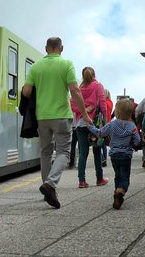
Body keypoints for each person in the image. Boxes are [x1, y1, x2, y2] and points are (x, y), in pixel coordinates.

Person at [22, 37, 91, 209]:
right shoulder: (66, 64)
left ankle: (47, 186)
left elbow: (26, 90)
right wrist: (84, 114)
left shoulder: (36, 67)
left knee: (45, 152)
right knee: (63, 152)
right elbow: (74, 90)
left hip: (42, 117)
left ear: (46, 49)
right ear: (61, 48)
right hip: (61, 115)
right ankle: (51, 185)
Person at [87, 98, 141, 209]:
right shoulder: (132, 126)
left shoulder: (112, 124)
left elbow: (100, 133)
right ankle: (120, 191)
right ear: (130, 113)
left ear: (116, 111)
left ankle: (117, 192)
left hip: (114, 155)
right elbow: (137, 141)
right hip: (126, 155)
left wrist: (89, 126)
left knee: (118, 175)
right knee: (125, 176)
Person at [70, 67, 108, 188]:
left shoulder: (79, 88)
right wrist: (106, 122)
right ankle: (99, 179)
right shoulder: (98, 86)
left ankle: (82, 181)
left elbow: (72, 105)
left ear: (83, 76)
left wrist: (82, 111)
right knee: (97, 150)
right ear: (94, 75)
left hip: (80, 124)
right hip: (94, 124)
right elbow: (103, 104)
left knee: (83, 152)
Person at [101, 89, 113, 167]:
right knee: (103, 143)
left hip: (104, 124)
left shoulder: (106, 103)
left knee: (102, 143)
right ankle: (103, 159)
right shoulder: (110, 102)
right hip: (107, 123)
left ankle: (103, 159)